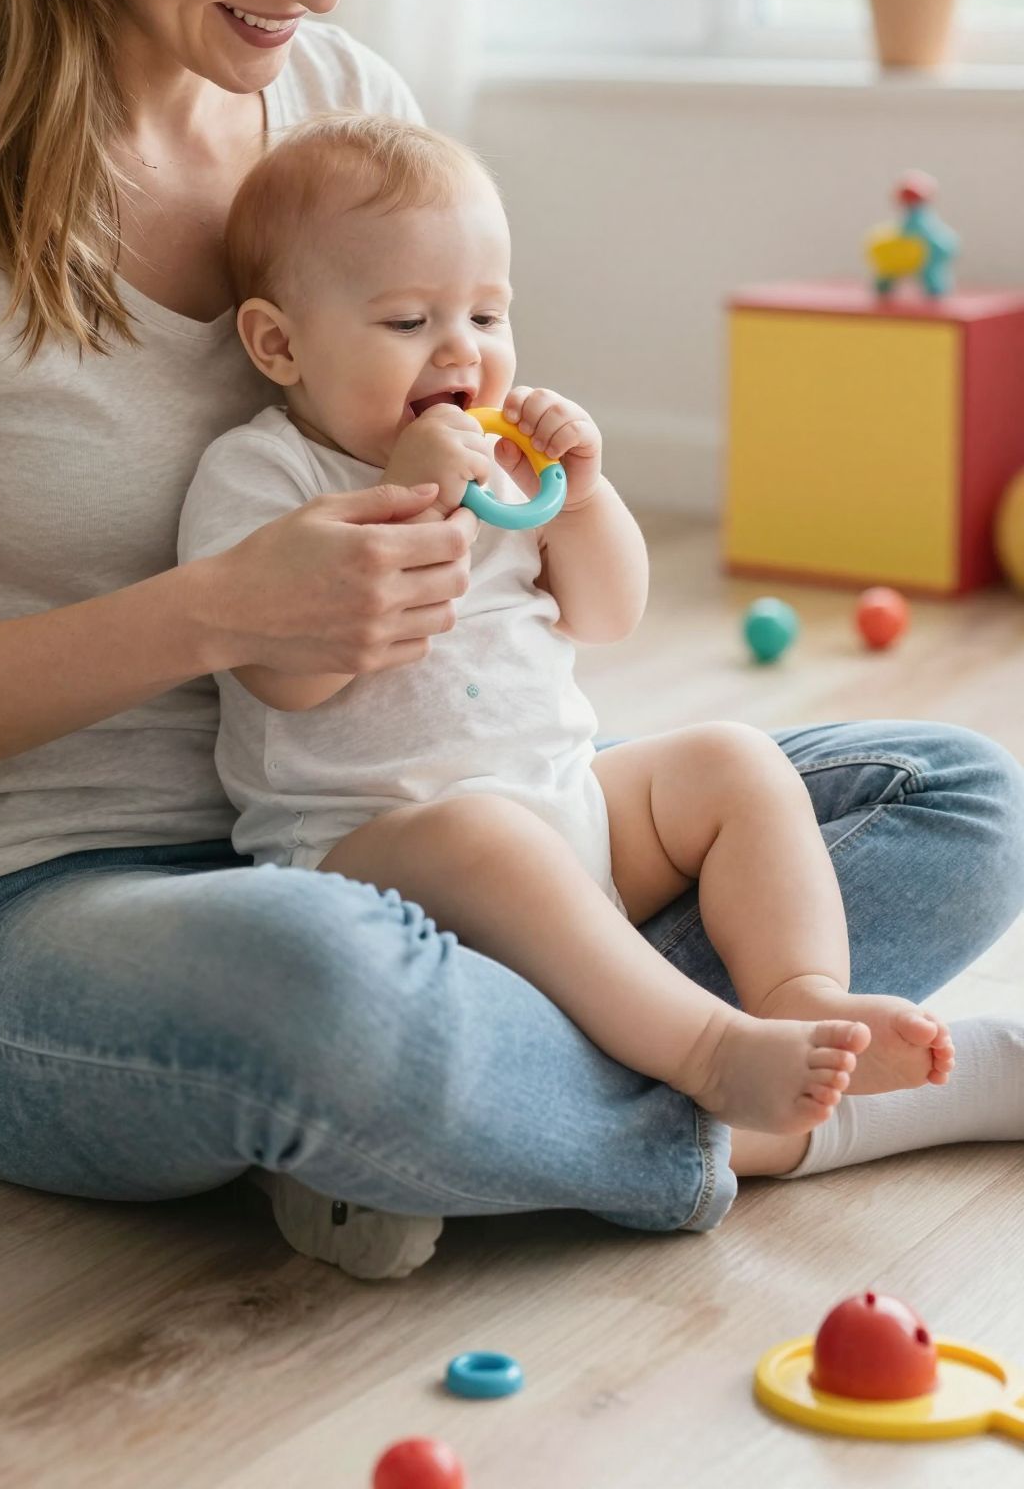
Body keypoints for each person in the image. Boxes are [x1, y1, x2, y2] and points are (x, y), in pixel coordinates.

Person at [0, 0, 1021, 1285]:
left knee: (954, 795)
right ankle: (756, 1110)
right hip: (30, 913)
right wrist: (211, 614)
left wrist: (547, 499)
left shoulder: (337, 112)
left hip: (427, 837)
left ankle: (479, 1108)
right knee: (325, 992)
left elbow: (497, 472)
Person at [178, 111, 958, 1139]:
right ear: (280, 342)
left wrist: (584, 498)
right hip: (373, 851)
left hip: (567, 807)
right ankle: (706, 1052)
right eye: (409, 322)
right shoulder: (264, 473)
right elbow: (286, 680)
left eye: (488, 317)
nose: (461, 349)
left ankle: (796, 991)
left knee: (731, 758)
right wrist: (406, 504)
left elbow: (609, 610)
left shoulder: (515, 471)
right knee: (484, 836)